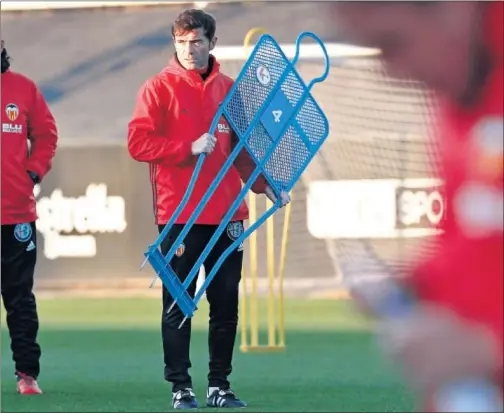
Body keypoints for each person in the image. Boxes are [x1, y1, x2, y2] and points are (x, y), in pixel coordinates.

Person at [331, 2, 503, 411]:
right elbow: (476, 243)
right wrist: (414, 285)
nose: (388, 72)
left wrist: (491, 351)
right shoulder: (459, 97)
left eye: (391, 44)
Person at [127, 9, 290, 410]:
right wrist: (187, 147)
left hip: (228, 216)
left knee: (226, 306)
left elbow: (241, 153)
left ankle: (220, 386)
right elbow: (138, 144)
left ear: (212, 43)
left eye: (196, 41)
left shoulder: (230, 90)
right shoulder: (157, 88)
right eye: (181, 41)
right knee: (178, 304)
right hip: (179, 215)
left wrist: (267, 187)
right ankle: (181, 387)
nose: (188, 49)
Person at [1, 39, 59, 395]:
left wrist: (33, 172)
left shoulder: (23, 88)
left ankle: (27, 374)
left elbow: (47, 135)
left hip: (15, 213)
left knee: (19, 297)